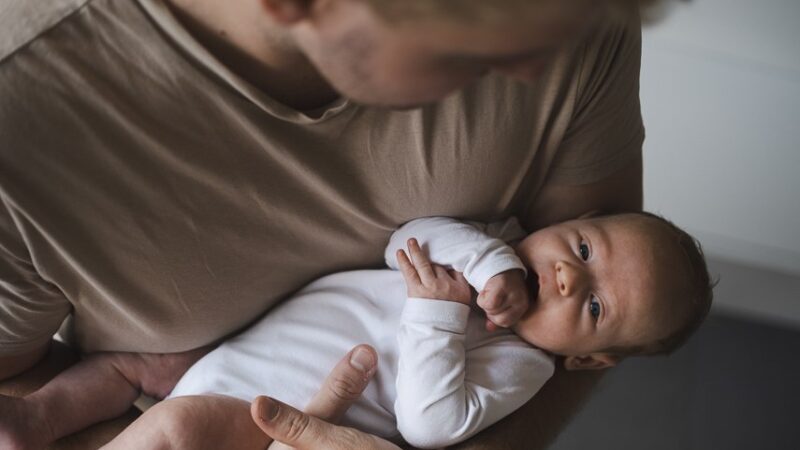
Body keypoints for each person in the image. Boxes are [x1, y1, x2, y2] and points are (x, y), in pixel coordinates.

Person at [0, 0, 667, 448]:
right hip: (202, 391)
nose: (533, 67)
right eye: (472, 30)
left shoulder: (573, 21)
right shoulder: (23, 110)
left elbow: (606, 320)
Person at [0, 213, 712, 449]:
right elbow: (406, 237)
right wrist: (487, 260)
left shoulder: (523, 367)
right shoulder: (491, 239)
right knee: (141, 356)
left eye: (592, 307)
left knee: (178, 426)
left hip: (262, 421)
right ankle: (34, 417)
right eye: (583, 251)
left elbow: (431, 423)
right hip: (228, 351)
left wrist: (438, 315)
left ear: (588, 359)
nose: (565, 279)